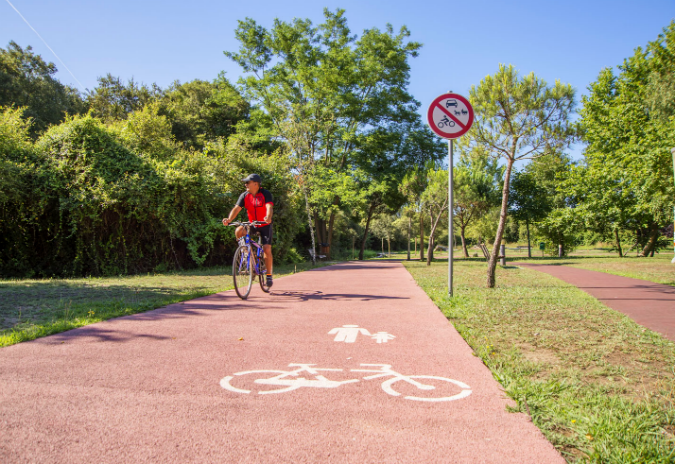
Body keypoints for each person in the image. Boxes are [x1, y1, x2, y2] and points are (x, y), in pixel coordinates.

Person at [222, 174, 274, 288]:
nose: (245, 185)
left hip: (264, 224)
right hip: (252, 224)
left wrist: (268, 217)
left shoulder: (265, 194)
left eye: (247, 182)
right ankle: (247, 254)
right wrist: (229, 219)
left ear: (256, 184)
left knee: (266, 248)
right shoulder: (245, 195)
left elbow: (269, 207)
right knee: (239, 230)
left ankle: (269, 275)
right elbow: (236, 208)